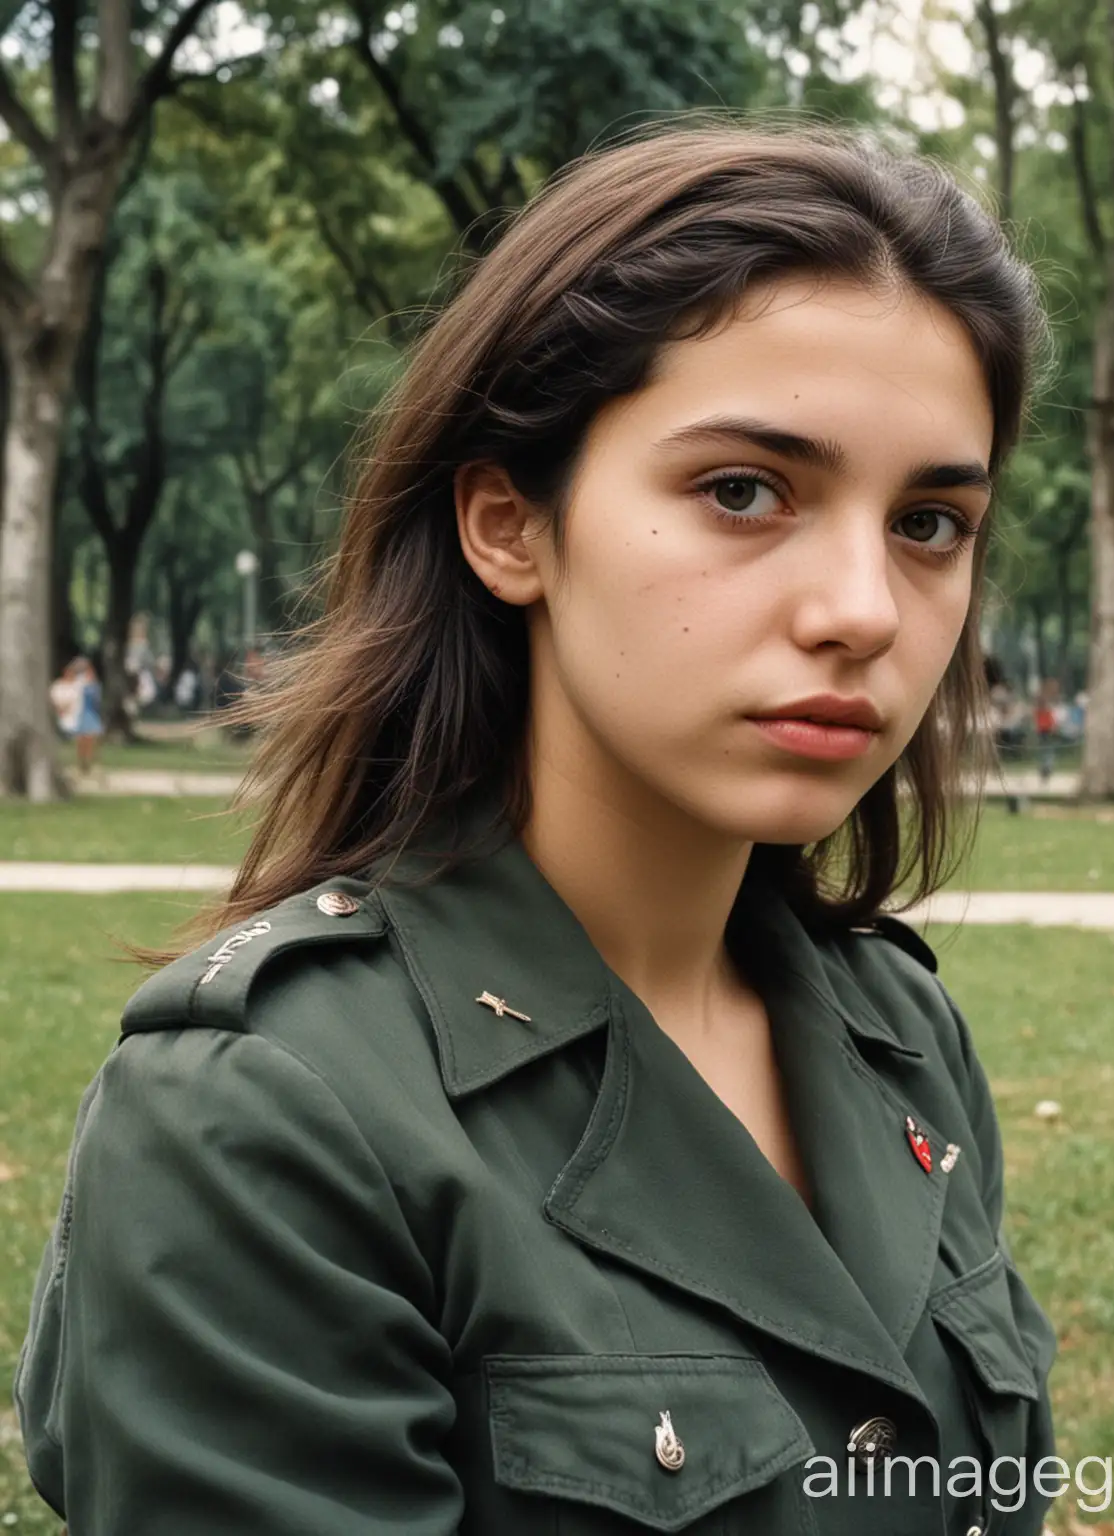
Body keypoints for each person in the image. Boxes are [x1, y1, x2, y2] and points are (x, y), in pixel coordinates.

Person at [14, 123, 1057, 1536]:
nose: (864, 609)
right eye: (744, 490)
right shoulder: (261, 1123)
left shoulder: (899, 1036)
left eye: (931, 521)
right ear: (511, 526)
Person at [67, 655, 103, 773]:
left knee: (90, 740)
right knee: (81, 741)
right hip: (81, 713)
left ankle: (89, 764)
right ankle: (82, 764)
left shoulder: (92, 683)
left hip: (90, 712)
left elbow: (96, 699)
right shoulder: (78, 682)